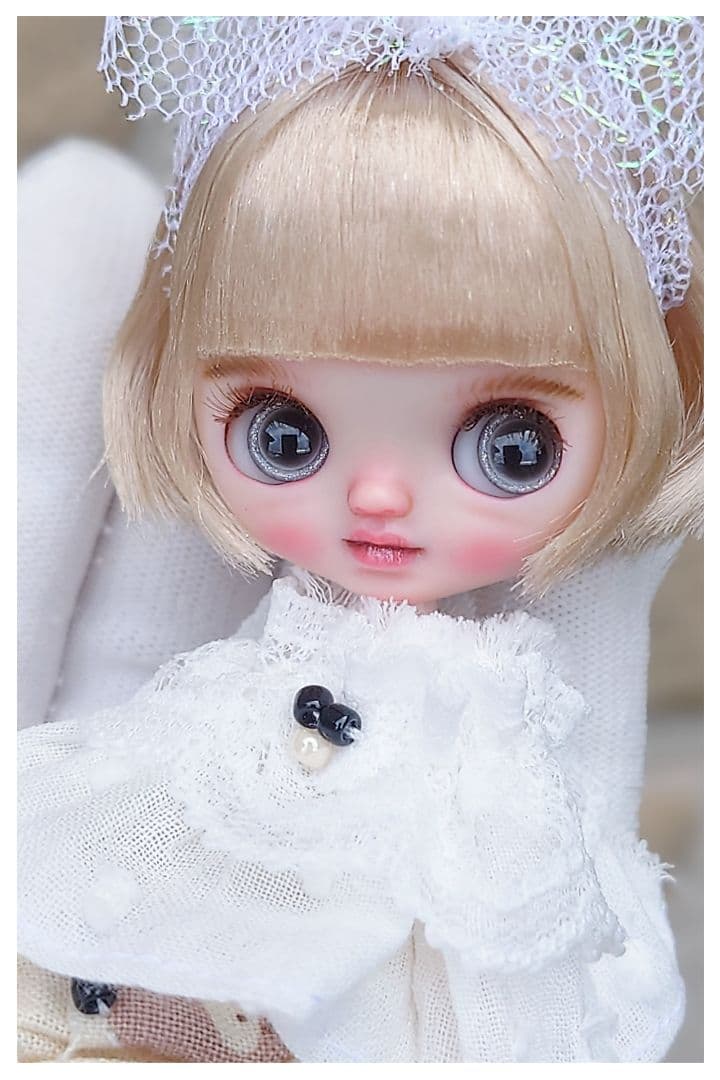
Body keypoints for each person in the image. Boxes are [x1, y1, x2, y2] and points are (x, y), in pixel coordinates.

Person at [18, 16, 703, 1062]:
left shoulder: (505, 699)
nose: (378, 497)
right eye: (284, 433)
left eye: (512, 447)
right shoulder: (221, 683)